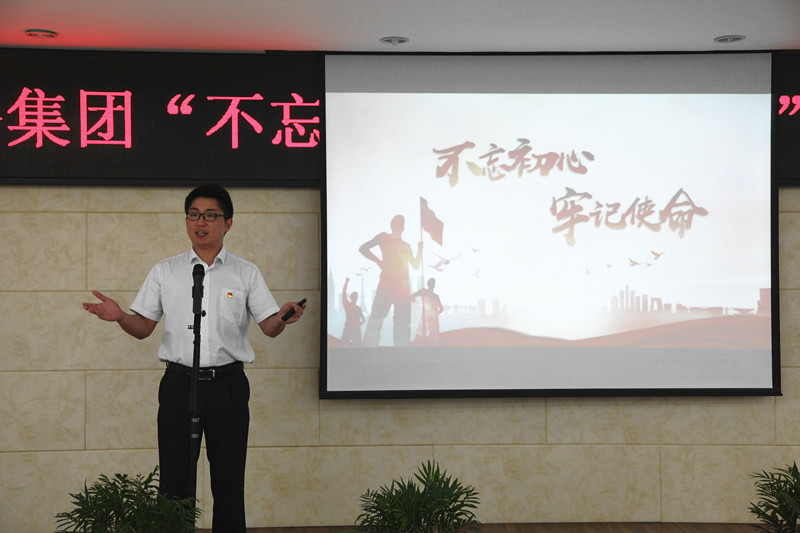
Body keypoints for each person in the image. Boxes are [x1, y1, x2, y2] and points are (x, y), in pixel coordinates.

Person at [82, 184, 305, 533]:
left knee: (228, 482)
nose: (201, 222)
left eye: (210, 215)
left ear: (228, 223)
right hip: (178, 385)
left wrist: (283, 318)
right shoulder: (165, 271)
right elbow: (143, 328)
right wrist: (121, 317)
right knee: (174, 483)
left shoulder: (246, 272)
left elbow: (269, 327)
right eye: (194, 214)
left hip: (228, 386)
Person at [358, 214, 422, 347]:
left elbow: (415, 265)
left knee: (393, 321)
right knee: (381, 318)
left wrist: (420, 249)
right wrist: (378, 261)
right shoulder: (384, 238)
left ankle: (374, 349)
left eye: (398, 223)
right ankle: (371, 349)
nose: (397, 225)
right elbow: (363, 249)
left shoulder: (396, 242)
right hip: (393, 286)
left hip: (397, 287)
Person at [412, 277, 444, 346]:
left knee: (431, 338)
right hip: (426, 318)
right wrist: (417, 304)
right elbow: (411, 297)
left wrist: (435, 314)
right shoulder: (425, 292)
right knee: (421, 336)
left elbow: (441, 309)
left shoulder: (435, 296)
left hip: (430, 318)